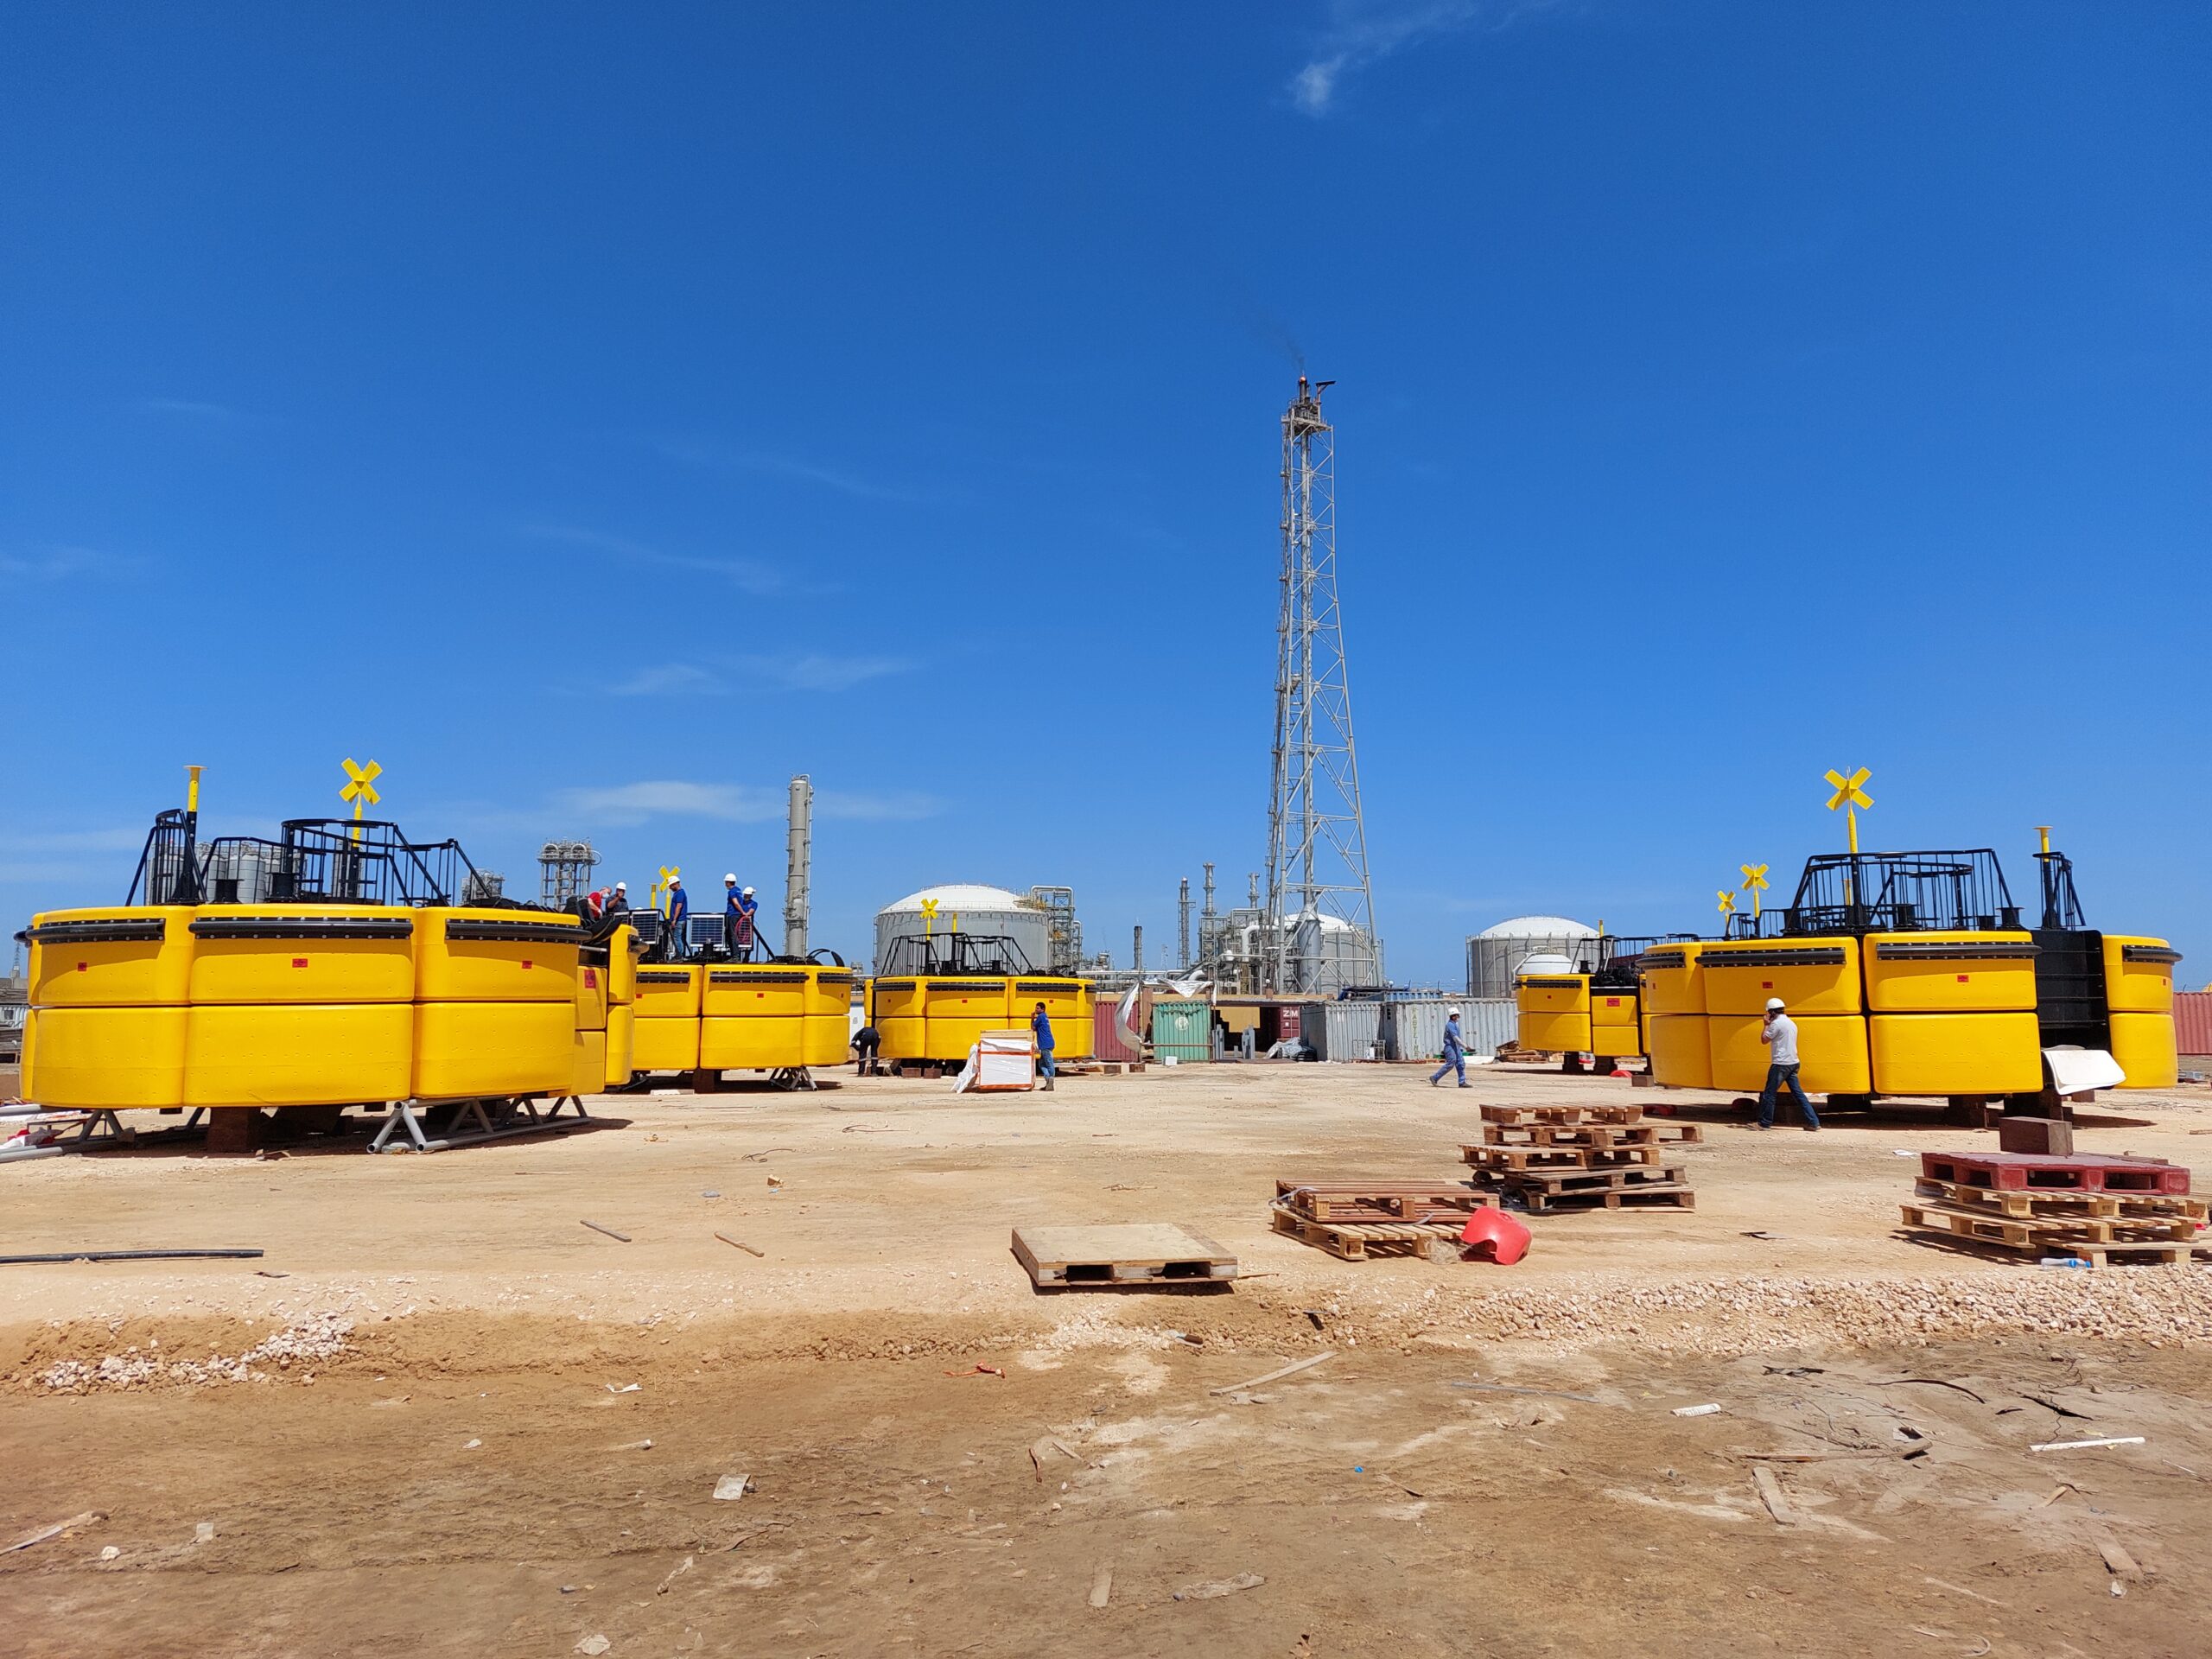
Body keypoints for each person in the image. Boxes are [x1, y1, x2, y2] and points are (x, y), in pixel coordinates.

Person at [1756, 996, 1819, 1130]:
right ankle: (1814, 1122)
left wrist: (1766, 1025)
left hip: (1781, 1063)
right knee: (1798, 1094)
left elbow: (1764, 1040)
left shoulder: (1776, 1024)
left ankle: (1764, 1123)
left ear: (1771, 1012)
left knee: (1769, 1094)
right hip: (1793, 1062)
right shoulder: (1791, 1023)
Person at [1430, 1006, 1473, 1088]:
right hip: (1450, 1047)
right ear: (1453, 1016)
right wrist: (1466, 1046)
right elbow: (1455, 1038)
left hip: (1456, 1047)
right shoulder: (1450, 1025)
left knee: (1461, 1063)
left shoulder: (1454, 1024)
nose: (1458, 1017)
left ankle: (1462, 1082)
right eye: (1457, 1015)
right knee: (1451, 1063)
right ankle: (1435, 1077)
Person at [724, 875, 759, 960]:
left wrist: (743, 913)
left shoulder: (732, 892)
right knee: (734, 936)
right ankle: (736, 955)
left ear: (728, 882)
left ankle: (737, 956)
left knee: (734, 935)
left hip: (735, 917)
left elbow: (736, 903)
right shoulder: (738, 890)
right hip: (739, 919)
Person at [1031, 1000, 1057, 1092]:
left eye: (1037, 1008)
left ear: (1043, 1009)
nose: (1036, 1010)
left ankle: (1050, 1078)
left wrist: (1032, 1017)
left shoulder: (1041, 1016)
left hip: (1045, 1044)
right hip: (1048, 1043)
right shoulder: (1045, 1016)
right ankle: (1048, 1083)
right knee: (1041, 1064)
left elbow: (1033, 1028)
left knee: (1048, 1063)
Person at [664, 876, 689, 957]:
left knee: (677, 937)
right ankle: (679, 954)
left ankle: (679, 955)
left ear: (675, 884)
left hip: (679, 920)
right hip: (678, 920)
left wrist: (674, 919)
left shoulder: (680, 893)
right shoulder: (678, 893)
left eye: (671, 886)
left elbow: (679, 906)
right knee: (677, 937)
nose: (670, 888)